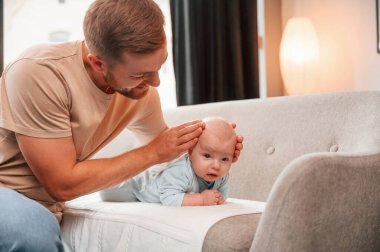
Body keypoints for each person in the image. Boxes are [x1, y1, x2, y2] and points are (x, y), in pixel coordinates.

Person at [0, 0, 243, 251]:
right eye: (139, 74)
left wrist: (213, 148)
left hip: (45, 207)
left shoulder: (142, 93)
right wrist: (153, 152)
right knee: (34, 232)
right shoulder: (39, 73)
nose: (155, 82)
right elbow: (63, 184)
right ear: (97, 63)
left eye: (160, 66)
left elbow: (168, 158)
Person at [100, 117, 236, 206]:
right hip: (139, 186)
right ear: (190, 151)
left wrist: (219, 199)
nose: (216, 166)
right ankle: (108, 173)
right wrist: (201, 199)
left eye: (225, 159)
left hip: (158, 178)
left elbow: (222, 194)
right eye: (207, 156)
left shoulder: (221, 175)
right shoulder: (180, 170)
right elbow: (169, 199)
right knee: (105, 191)